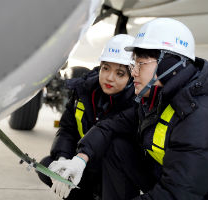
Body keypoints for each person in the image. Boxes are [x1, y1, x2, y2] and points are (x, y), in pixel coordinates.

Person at [102, 18, 208, 199]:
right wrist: (80, 158)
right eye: (133, 64)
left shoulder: (204, 115)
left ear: (168, 64)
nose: (134, 72)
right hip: (181, 184)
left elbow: (176, 195)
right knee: (118, 147)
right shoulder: (163, 98)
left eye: (141, 64)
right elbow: (114, 124)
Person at [37, 34, 136, 199]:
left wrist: (81, 160)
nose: (110, 77)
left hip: (113, 171)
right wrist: (63, 159)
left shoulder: (135, 102)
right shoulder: (84, 91)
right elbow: (67, 129)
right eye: (105, 68)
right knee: (48, 166)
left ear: (132, 77)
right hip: (87, 165)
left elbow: (107, 130)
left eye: (120, 73)